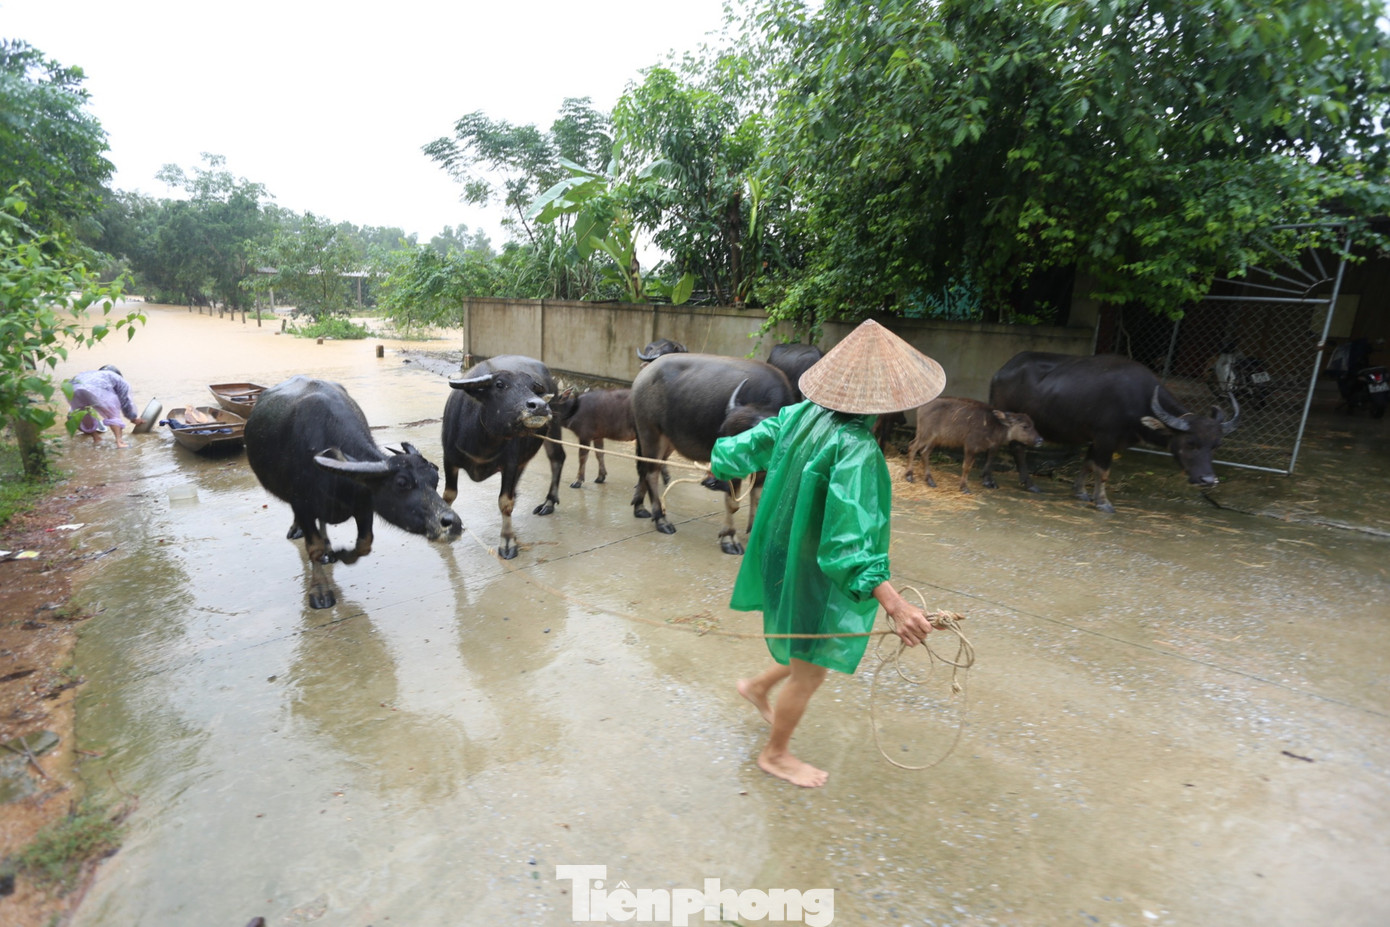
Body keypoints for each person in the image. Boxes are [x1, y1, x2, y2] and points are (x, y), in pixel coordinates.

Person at [709, 319, 947, 788]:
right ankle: (775, 754)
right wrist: (894, 604)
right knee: (811, 671)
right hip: (810, 561)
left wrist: (720, 458)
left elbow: (747, 445)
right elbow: (848, 544)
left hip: (780, 548)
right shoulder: (856, 448)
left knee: (810, 639)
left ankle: (756, 687)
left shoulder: (802, 415)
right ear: (888, 399)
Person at [67, 365, 144, 448]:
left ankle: (96, 438)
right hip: (94, 388)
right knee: (113, 413)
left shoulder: (93, 374)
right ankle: (119, 442)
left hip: (71, 388)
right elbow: (125, 401)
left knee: (82, 412)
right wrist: (133, 418)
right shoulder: (118, 380)